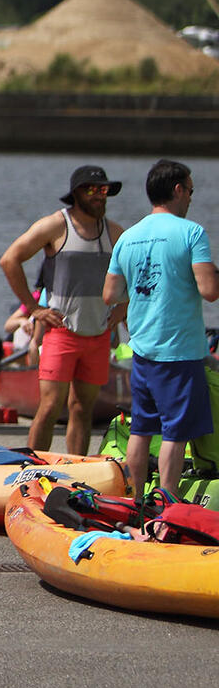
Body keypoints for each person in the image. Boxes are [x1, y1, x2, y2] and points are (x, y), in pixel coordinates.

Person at [104, 159, 219, 496]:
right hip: (179, 351)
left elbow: (110, 293)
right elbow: (209, 291)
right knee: (175, 434)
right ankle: (168, 505)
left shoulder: (129, 237)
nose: (192, 199)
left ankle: (138, 500)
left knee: (141, 429)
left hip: (142, 349)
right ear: (178, 190)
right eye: (191, 191)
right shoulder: (191, 233)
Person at [0, 165, 128, 455]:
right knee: (49, 407)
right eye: (93, 190)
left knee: (82, 408)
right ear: (77, 194)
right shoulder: (56, 226)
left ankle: (76, 473)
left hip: (98, 335)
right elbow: (9, 260)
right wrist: (34, 309)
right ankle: (31, 469)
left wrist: (123, 309)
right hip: (61, 332)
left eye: (104, 191)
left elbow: (138, 273)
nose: (100, 196)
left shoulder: (116, 232)